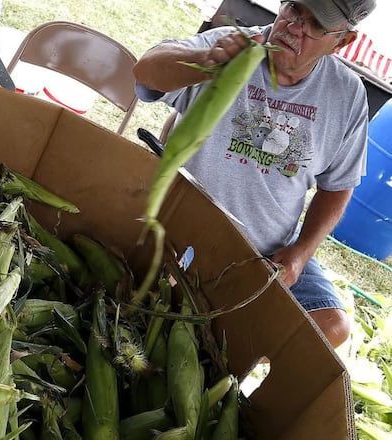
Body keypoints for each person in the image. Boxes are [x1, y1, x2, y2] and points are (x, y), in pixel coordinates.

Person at [133, 0, 377, 349]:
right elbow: (145, 72)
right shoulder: (231, 47)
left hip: (267, 251)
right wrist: (205, 64)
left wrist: (300, 253)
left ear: (342, 42)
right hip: (187, 226)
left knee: (331, 328)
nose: (295, 27)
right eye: (294, 9)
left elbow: (338, 187)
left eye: (315, 25)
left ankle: (229, 358)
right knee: (157, 295)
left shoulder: (347, 95)